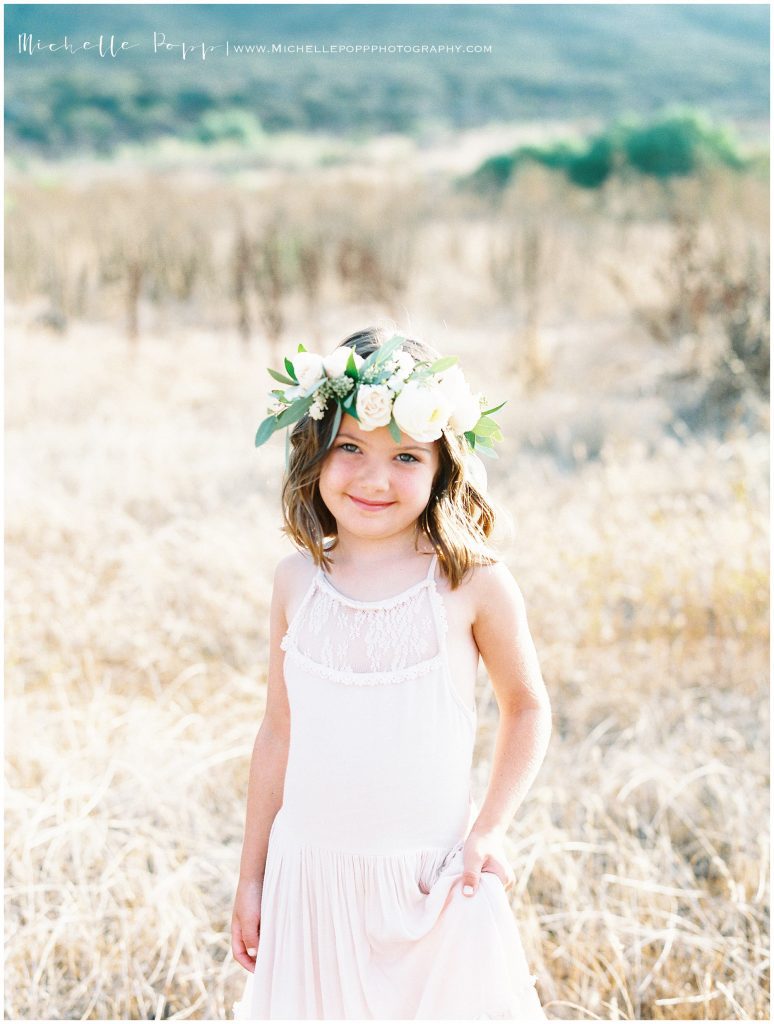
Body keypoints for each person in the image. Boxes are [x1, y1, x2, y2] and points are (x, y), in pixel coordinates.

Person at [231, 326, 552, 1020]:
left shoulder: (471, 582)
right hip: (310, 885)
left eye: (405, 455)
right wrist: (251, 878)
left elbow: (527, 707)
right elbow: (277, 733)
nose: (375, 478)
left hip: (432, 887)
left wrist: (488, 831)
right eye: (350, 447)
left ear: (442, 465)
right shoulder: (295, 581)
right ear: (313, 451)